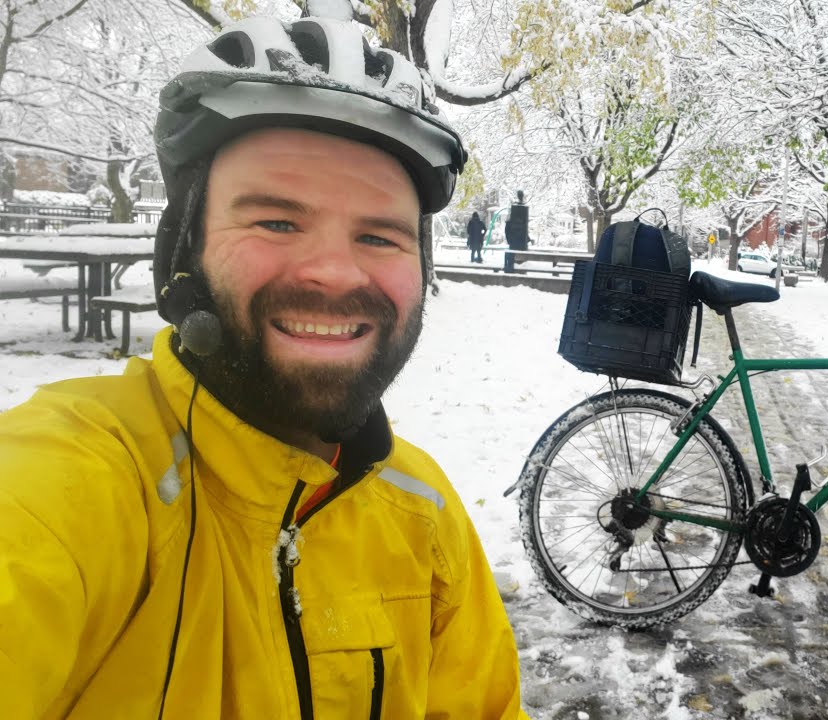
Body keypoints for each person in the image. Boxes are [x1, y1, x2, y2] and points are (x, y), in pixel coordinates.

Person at [0, 16, 527, 719]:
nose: (336, 272)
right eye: (276, 222)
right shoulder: (77, 476)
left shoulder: (423, 514)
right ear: (183, 250)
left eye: (380, 236)